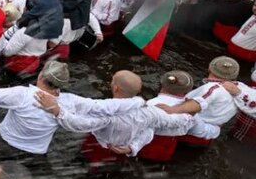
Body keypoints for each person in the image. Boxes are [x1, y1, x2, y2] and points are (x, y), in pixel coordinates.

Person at [0, 61, 143, 156]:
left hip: (4, 143)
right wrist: (139, 102)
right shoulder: (71, 102)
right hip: (35, 153)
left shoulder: (21, 95)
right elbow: (104, 106)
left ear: (41, 76)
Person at [34, 70, 215, 169]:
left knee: (86, 168)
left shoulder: (106, 113)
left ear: (116, 88)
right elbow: (155, 129)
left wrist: (57, 110)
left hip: (99, 149)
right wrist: (132, 147)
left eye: (112, 80)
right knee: (108, 173)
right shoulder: (149, 111)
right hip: (120, 154)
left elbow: (80, 123)